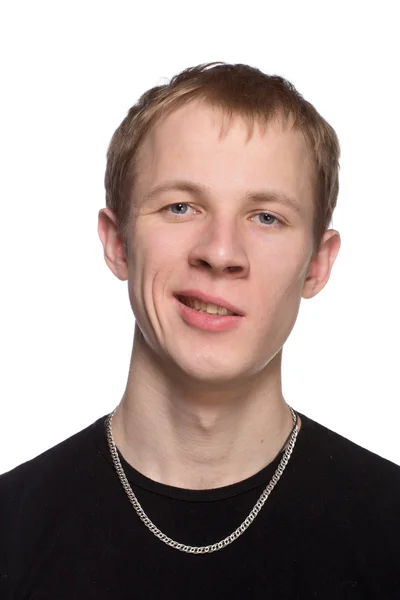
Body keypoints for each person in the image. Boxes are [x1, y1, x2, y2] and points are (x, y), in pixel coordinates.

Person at [1, 62, 399, 599]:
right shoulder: (11, 531)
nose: (219, 252)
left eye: (266, 217)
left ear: (317, 265)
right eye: (180, 207)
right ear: (118, 242)